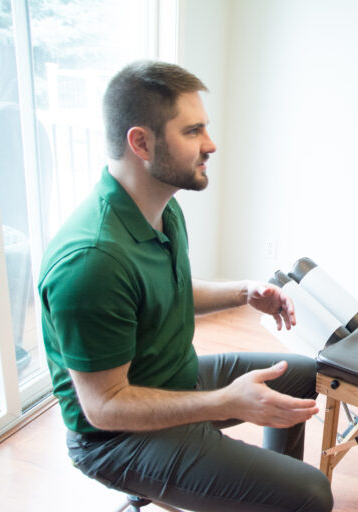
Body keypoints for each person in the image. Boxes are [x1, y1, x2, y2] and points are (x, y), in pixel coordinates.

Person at [39, 61, 333, 511]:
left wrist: (243, 293)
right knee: (311, 494)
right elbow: (104, 407)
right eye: (193, 131)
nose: (210, 145)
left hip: (174, 376)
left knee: (301, 376)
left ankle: (266, 498)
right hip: (115, 439)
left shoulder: (161, 208)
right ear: (140, 142)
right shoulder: (92, 262)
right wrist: (222, 403)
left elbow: (163, 292)